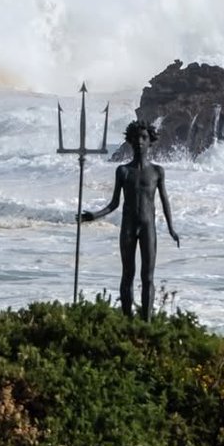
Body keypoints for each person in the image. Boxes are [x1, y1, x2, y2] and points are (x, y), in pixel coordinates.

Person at [81, 119, 180, 320]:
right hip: (128, 227)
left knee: (148, 277)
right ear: (130, 141)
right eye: (135, 138)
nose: (139, 141)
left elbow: (164, 201)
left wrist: (171, 228)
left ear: (150, 141)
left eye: (143, 138)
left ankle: (147, 323)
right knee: (127, 275)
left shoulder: (157, 171)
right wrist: (94, 215)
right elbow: (114, 203)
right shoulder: (123, 171)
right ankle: (128, 321)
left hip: (148, 228)